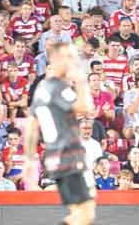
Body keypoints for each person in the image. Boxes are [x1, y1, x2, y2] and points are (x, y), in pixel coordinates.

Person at [25, 41, 96, 225]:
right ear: (56, 59)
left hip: (58, 156)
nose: (73, 61)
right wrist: (81, 81)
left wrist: (29, 158)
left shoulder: (42, 88)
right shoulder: (58, 87)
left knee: (81, 212)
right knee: (84, 215)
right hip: (67, 155)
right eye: (70, 57)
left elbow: (32, 123)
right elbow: (86, 107)